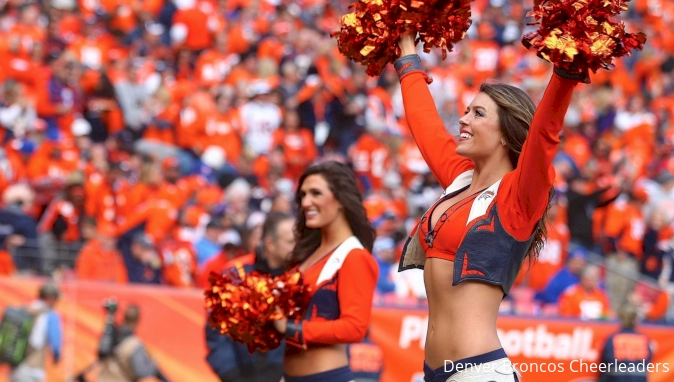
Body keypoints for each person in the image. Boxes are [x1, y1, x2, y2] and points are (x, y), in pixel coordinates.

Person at [394, 32, 580, 382]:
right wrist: (407, 55)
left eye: (477, 114)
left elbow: (543, 134)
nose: (463, 120)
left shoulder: (519, 197)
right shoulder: (461, 179)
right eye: (466, 111)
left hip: (479, 372)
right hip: (433, 372)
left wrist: (565, 74)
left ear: (506, 134)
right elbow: (425, 125)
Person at [273, 161, 379, 382]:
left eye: (316, 193)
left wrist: (293, 329)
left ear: (340, 199)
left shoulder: (354, 256)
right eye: (302, 195)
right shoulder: (306, 254)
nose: (305, 202)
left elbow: (355, 328)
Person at [205, 211, 296, 382]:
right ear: (270, 244)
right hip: (243, 375)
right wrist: (231, 375)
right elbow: (216, 331)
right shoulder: (235, 275)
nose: (296, 247)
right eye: (290, 242)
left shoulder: (300, 277)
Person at [97, 304, 167, 382]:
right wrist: (153, 363)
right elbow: (142, 372)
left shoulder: (113, 335)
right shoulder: (134, 344)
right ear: (137, 320)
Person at [9, 282, 62, 382]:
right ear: (51, 298)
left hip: (15, 368)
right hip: (32, 370)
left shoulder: (27, 310)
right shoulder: (50, 315)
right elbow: (55, 343)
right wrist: (57, 356)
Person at [598, 304, 653, 382]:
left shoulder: (612, 339)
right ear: (635, 320)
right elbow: (649, 359)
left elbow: (605, 361)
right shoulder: (644, 339)